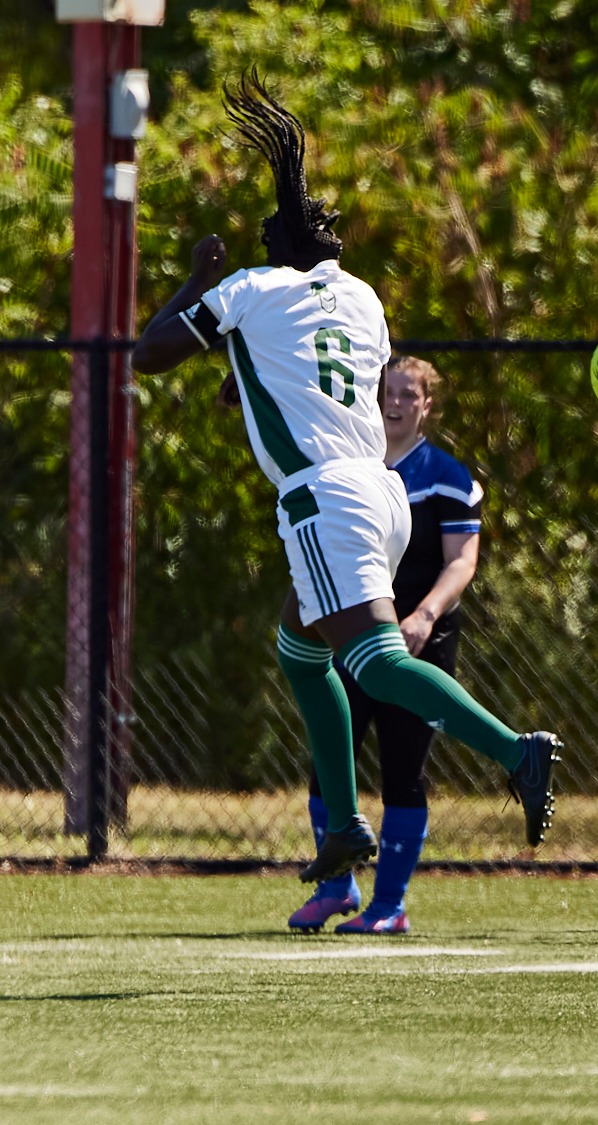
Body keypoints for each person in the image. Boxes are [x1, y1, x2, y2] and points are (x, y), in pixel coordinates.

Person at [129, 76, 562, 887]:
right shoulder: (362, 298)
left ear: (278, 249)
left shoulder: (251, 287)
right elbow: (308, 375)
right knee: (301, 650)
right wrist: (244, 379)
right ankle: (344, 823)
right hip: (381, 493)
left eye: (269, 240)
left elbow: (149, 353)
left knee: (374, 662)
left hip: (324, 500)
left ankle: (516, 750)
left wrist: (197, 280)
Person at [287, 356, 486, 934]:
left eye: (407, 394)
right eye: (387, 392)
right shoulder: (354, 467)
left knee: (403, 769)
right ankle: (336, 886)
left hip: (418, 641)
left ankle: (389, 906)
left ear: (427, 406)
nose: (394, 403)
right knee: (330, 762)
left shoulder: (446, 475)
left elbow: (462, 561)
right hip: (352, 632)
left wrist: (424, 615)